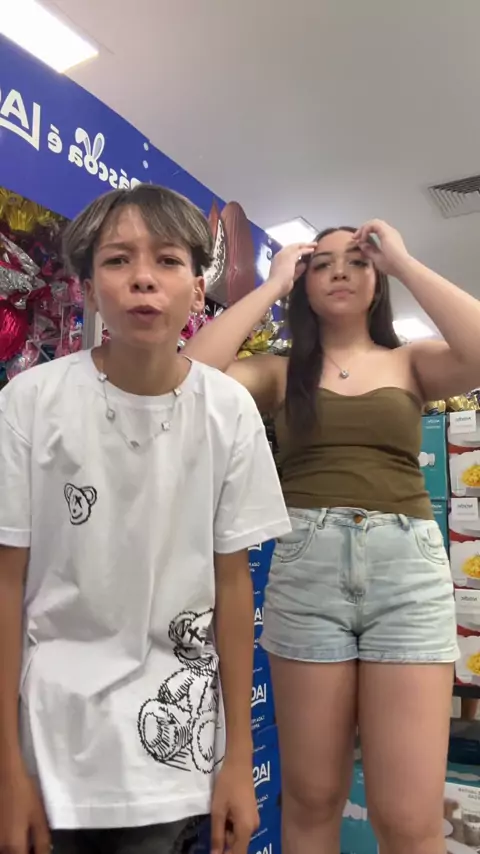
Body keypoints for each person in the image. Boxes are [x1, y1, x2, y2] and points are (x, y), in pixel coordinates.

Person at [0, 184, 291, 854]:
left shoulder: (228, 412)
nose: (142, 278)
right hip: (49, 737)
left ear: (198, 289)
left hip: (172, 744)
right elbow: (7, 583)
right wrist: (8, 763)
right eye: (117, 259)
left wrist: (237, 761)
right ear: (87, 289)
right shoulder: (30, 402)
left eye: (167, 260)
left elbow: (234, 587)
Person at [184, 219, 480, 854]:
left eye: (358, 260)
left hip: (407, 574)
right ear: (304, 284)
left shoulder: (412, 362)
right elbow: (189, 377)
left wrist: (404, 262)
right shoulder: (280, 372)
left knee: (409, 819)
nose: (340, 270)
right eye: (322, 263)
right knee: (313, 799)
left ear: (378, 280)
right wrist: (271, 285)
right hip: (308, 570)